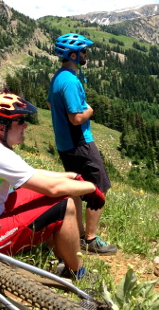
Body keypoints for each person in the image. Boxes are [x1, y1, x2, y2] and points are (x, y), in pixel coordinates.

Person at [0, 92, 105, 281]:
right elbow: (52, 189)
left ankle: (64, 251)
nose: (25, 125)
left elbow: (31, 174)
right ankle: (77, 273)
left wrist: (69, 176)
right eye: (19, 121)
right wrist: (91, 188)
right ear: (1, 128)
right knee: (66, 204)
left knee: (52, 189)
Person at [49, 33, 119, 255]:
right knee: (99, 188)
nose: (86, 55)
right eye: (84, 51)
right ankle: (90, 239)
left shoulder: (59, 77)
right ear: (73, 54)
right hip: (80, 143)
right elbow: (76, 118)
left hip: (65, 143)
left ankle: (79, 235)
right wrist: (90, 110)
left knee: (76, 188)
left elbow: (52, 107)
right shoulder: (70, 81)